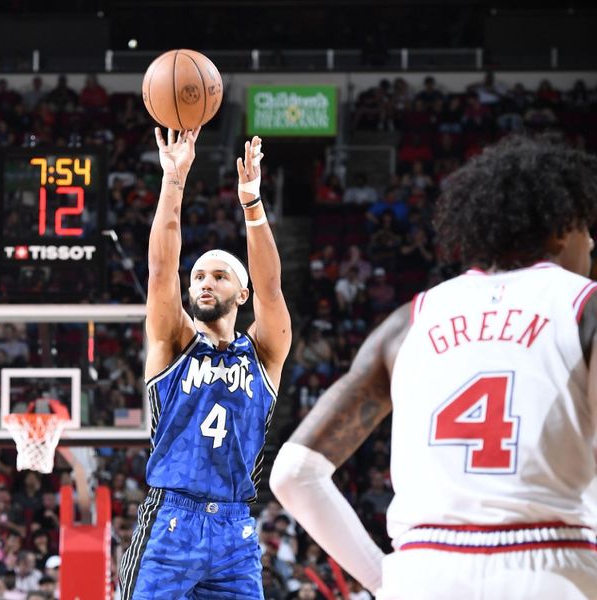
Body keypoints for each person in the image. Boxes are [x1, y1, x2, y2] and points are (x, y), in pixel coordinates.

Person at [270, 136, 597, 599]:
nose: (591, 245)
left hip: (422, 572)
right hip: (552, 568)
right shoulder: (585, 307)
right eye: (589, 231)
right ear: (563, 228)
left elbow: (292, 472)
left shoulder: (408, 321)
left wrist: (385, 579)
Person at [119, 129, 291, 598]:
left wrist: (252, 203)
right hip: (171, 521)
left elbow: (272, 287)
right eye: (198, 276)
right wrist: (173, 180)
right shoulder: (173, 341)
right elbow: (160, 268)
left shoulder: (263, 353)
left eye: (219, 275)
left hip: (235, 529)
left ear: (242, 292)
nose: (205, 283)